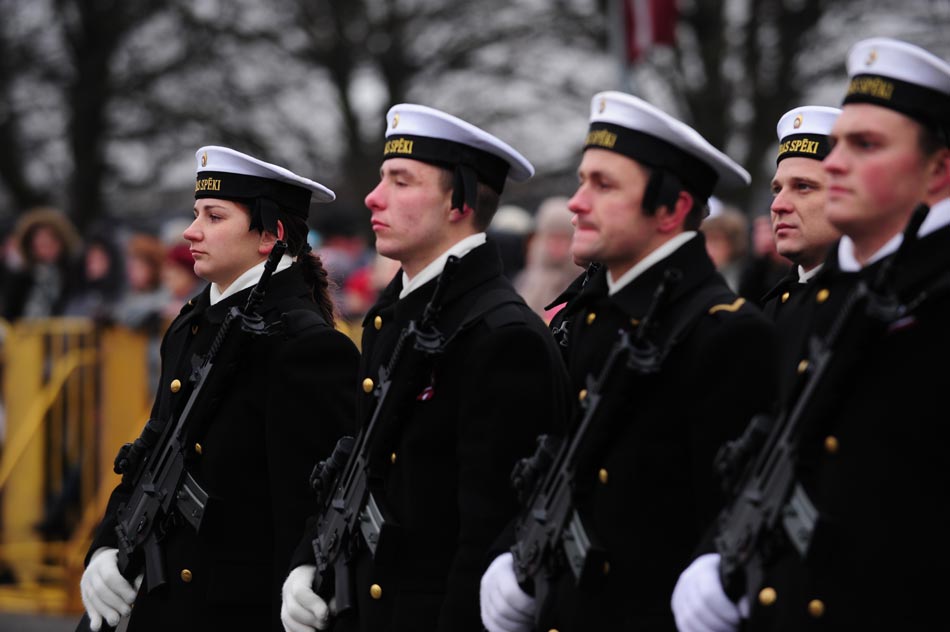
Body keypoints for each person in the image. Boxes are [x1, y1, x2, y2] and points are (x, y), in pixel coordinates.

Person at [671, 37, 950, 631]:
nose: (839, 163)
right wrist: (715, 556)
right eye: (840, 143)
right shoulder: (817, 303)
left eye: (864, 144)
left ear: (939, 170)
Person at [479, 91, 779, 632]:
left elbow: (727, 523)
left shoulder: (725, 333)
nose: (576, 203)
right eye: (582, 180)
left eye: (604, 184)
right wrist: (511, 552)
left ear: (672, 209)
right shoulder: (596, 318)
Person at [280, 103, 571, 632]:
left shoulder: (501, 337)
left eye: (401, 180)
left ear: (459, 200)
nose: (373, 196)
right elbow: (356, 461)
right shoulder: (397, 317)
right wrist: (307, 559)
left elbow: (485, 542)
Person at [78, 146, 360, 632]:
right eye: (195, 214)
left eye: (214, 216)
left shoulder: (304, 347)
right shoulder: (194, 322)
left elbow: (310, 512)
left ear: (270, 236)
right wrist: (106, 543)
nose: (192, 231)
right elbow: (151, 449)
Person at [759, 106, 841, 322]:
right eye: (777, 189)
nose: (778, 205)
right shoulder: (774, 305)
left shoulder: (868, 299)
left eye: (803, 186)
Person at [2, 207, 81, 321]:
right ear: (31, 247)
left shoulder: (75, 273)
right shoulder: (22, 278)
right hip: (25, 336)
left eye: (50, 242)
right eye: (40, 245)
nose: (46, 249)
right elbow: (9, 313)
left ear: (62, 241)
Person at [513, 196, 582, 323]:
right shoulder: (528, 280)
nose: (557, 245)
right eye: (552, 237)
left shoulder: (582, 282)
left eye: (564, 238)